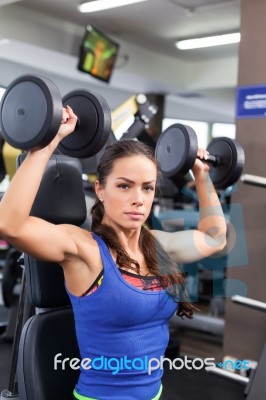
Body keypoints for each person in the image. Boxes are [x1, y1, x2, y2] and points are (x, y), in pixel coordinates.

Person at [0, 106, 227, 400]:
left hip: (154, 393)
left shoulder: (156, 244)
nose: (138, 199)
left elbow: (215, 237)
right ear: (101, 190)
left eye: (147, 188)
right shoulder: (84, 249)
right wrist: (45, 146)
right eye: (124, 186)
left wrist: (202, 175)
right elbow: (10, 224)